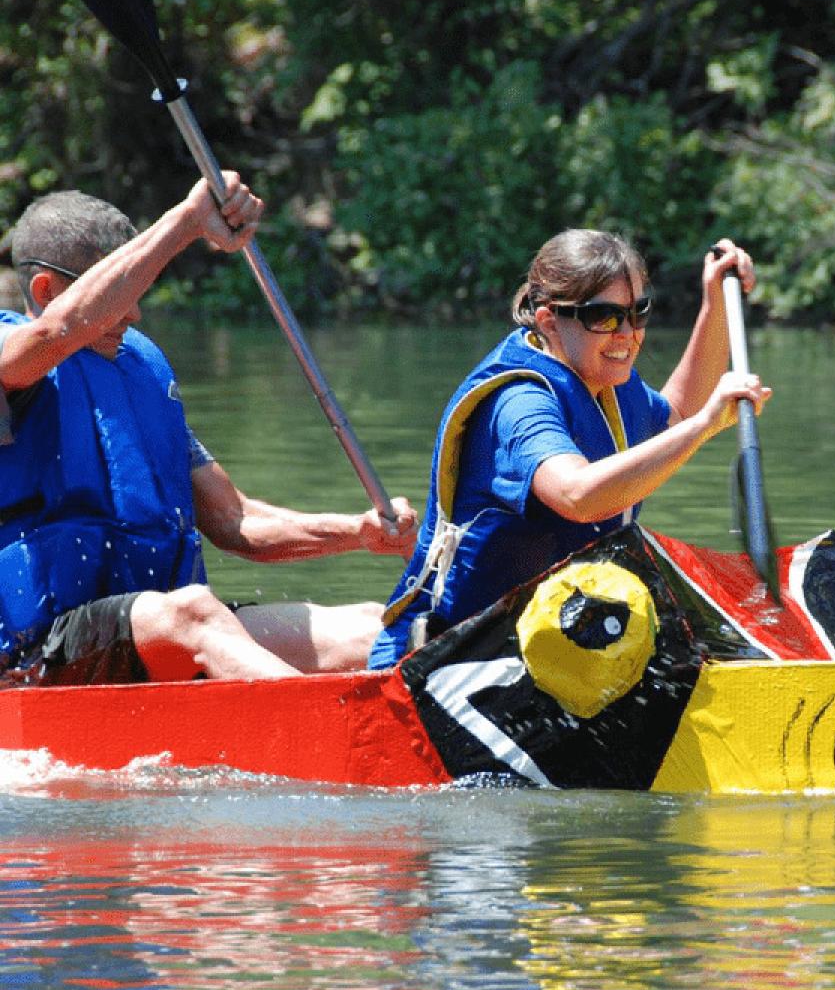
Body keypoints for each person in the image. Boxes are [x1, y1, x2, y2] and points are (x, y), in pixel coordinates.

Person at [0, 175, 419, 686]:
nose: (132, 312)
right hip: (42, 652)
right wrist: (188, 222)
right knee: (193, 612)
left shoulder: (140, 372)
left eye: (139, 289)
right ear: (46, 290)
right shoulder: (14, 353)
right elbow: (53, 333)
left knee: (372, 627)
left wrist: (357, 532)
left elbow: (234, 520)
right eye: (119, 290)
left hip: (165, 632)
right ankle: (325, 728)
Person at [369, 230, 770, 666]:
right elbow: (577, 496)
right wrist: (704, 426)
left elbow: (673, 414)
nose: (628, 335)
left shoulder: (605, 379)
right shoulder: (519, 401)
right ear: (547, 321)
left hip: (545, 647)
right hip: (445, 662)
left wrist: (715, 306)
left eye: (638, 313)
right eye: (604, 316)